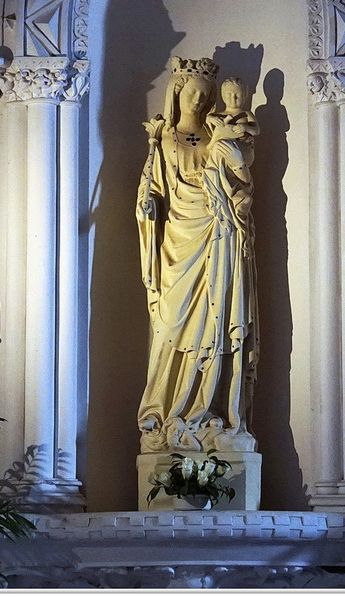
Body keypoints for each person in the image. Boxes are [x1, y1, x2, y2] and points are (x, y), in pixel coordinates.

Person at [136, 57, 259, 453]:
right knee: (171, 324)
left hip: (218, 233)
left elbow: (238, 177)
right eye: (191, 92)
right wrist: (148, 207)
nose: (198, 100)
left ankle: (209, 411)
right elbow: (153, 189)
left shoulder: (216, 135)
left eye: (205, 95)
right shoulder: (165, 140)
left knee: (217, 320)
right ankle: (165, 412)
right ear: (177, 92)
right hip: (177, 239)